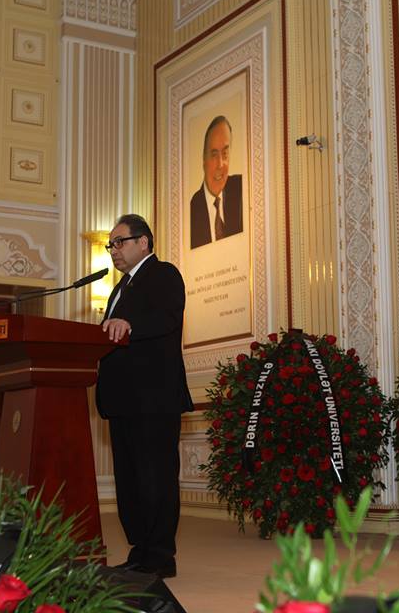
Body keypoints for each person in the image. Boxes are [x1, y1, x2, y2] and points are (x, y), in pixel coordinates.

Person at [95, 214, 194, 578]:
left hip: (154, 398)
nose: (113, 251)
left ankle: (160, 556)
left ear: (144, 242)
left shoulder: (163, 274)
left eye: (119, 242)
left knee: (156, 476)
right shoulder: (118, 289)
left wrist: (130, 324)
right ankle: (140, 549)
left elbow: (167, 318)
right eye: (111, 245)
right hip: (123, 400)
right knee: (130, 478)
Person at [189, 115, 243, 249]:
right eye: (214, 155)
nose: (220, 164)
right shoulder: (192, 210)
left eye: (225, 154)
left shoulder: (241, 189)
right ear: (204, 159)